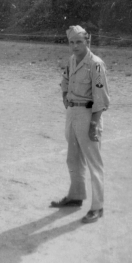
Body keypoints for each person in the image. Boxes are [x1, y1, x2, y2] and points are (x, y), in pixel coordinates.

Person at [50, 24, 110, 223]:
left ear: (87, 41)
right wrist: (65, 95)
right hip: (72, 113)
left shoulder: (96, 64)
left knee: (94, 162)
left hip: (88, 114)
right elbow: (65, 80)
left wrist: (94, 123)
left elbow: (101, 98)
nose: (75, 46)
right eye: (71, 42)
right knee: (73, 159)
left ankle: (97, 206)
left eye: (79, 42)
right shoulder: (72, 60)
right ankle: (76, 196)